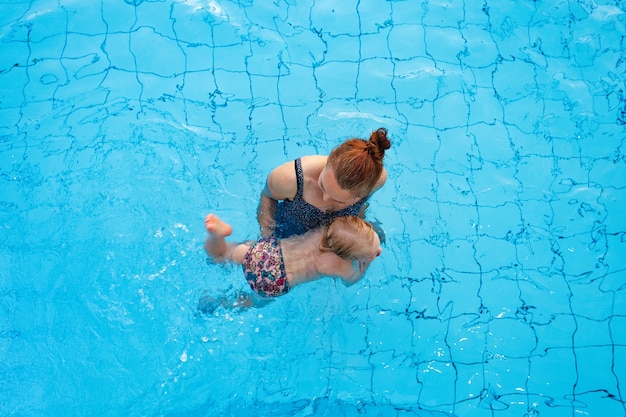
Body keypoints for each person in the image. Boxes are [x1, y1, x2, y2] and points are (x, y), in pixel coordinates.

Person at [203, 213, 382, 298]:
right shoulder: (340, 267)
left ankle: (216, 236)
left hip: (265, 251)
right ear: (350, 257)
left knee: (221, 255)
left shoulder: (331, 226)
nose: (378, 253)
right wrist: (365, 265)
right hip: (276, 280)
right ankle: (220, 302)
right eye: (373, 253)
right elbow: (352, 281)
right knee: (252, 301)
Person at [257, 128, 391, 239]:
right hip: (291, 231)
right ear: (330, 159)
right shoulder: (288, 179)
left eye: (338, 200)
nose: (325, 198)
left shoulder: (376, 180)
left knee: (378, 237)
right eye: (322, 186)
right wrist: (268, 238)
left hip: (336, 233)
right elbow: (268, 197)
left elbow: (361, 206)